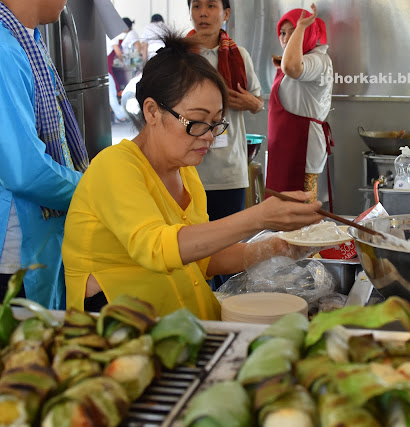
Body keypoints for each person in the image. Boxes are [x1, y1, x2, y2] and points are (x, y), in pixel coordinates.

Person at [62, 33, 322, 320]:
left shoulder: (185, 172)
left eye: (215, 122)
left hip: (183, 324)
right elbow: (156, 247)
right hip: (124, 331)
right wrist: (258, 217)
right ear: (152, 111)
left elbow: (203, 260)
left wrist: (279, 247)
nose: (209, 136)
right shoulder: (114, 166)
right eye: (197, 121)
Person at [0, 0, 89, 307]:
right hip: (15, 253)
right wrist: (94, 190)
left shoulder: (26, 41)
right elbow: (25, 171)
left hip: (37, 240)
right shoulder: (4, 50)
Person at [187, 0, 264, 222]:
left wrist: (250, 103)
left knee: (230, 237)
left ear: (226, 13)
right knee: (190, 236)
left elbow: (258, 103)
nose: (203, 13)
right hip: (188, 169)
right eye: (196, 6)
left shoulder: (239, 55)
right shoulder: (179, 57)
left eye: (211, 6)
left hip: (229, 170)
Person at [266, 3, 333, 204]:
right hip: (285, 145)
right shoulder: (301, 58)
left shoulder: (317, 60)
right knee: (281, 207)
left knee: (301, 208)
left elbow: (292, 67)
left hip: (303, 146)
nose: (286, 38)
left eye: (293, 31)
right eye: (283, 33)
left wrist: (302, 26)